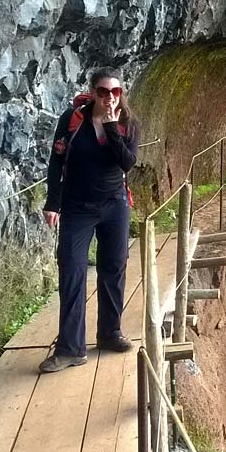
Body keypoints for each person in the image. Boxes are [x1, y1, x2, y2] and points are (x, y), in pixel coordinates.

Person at [38, 67, 141, 373]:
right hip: (77, 206)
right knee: (71, 271)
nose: (110, 97)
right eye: (103, 91)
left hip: (114, 204)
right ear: (93, 92)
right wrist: (52, 203)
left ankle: (110, 333)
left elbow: (127, 162)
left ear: (121, 94)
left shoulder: (128, 123)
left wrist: (111, 127)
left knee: (113, 268)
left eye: (116, 92)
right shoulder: (73, 121)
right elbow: (57, 161)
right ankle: (70, 349)